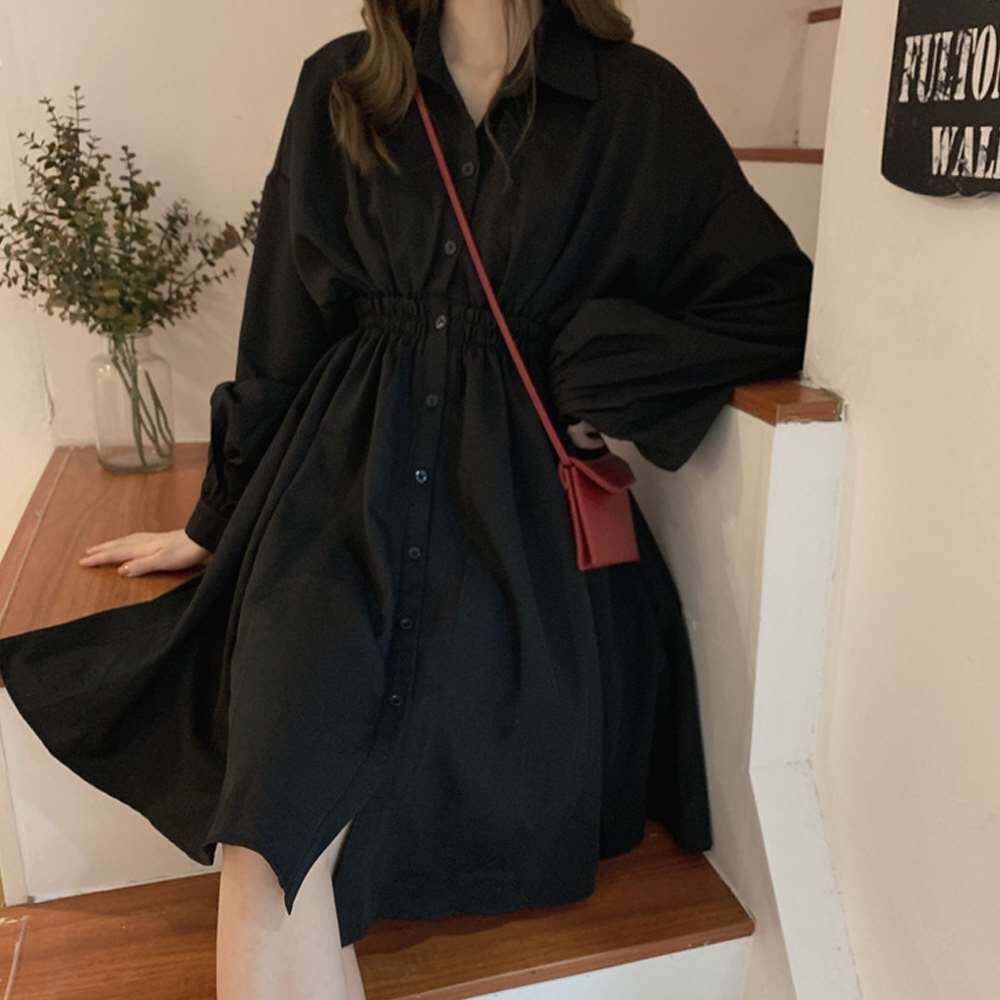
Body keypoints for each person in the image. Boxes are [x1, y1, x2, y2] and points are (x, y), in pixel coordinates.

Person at [0, 1, 814, 997]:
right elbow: (282, 327)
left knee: (383, 771)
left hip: (515, 521)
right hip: (334, 490)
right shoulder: (344, 83)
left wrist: (607, 367)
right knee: (270, 827)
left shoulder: (634, 103)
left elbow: (773, 297)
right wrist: (217, 520)